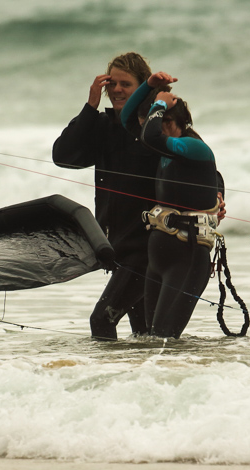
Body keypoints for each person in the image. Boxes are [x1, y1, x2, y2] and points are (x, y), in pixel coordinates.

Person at [52, 52, 159, 340]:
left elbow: (197, 162)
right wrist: (90, 107)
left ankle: (107, 369)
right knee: (145, 334)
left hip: (148, 247)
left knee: (101, 320)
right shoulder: (101, 126)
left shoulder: (153, 127)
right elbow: (64, 156)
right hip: (118, 247)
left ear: (143, 88)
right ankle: (153, 368)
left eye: (126, 84)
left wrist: (216, 196)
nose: (117, 90)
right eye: (112, 83)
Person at [120, 71, 224, 339]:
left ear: (172, 121)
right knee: (150, 338)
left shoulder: (194, 147)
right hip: (160, 258)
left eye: (160, 121)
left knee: (164, 338)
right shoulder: (165, 150)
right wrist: (149, 85)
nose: (152, 128)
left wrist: (159, 103)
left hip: (187, 257)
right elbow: (127, 120)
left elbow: (151, 137)